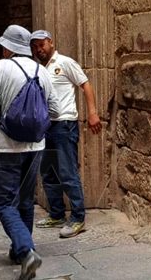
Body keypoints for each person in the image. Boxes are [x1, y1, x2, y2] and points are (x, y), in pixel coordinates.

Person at [0, 25, 59, 280]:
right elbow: (56, 110)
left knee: (4, 202)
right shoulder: (42, 71)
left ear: (7, 48)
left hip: (6, 146)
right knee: (25, 200)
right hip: (36, 146)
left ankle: (26, 251)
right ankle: (20, 251)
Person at [30, 30, 102, 238]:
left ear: (50, 42)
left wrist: (93, 113)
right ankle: (57, 213)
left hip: (64, 124)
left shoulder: (65, 62)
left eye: (41, 45)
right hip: (44, 126)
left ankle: (78, 218)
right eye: (35, 47)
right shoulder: (36, 69)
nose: (38, 50)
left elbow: (85, 84)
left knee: (67, 171)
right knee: (48, 172)